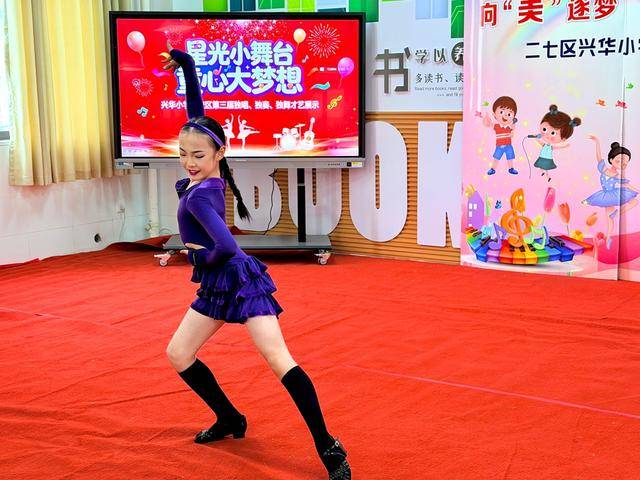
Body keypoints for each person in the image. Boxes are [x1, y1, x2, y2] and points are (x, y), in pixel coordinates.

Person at [160, 48, 351, 480]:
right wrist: (187, 65)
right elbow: (198, 119)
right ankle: (230, 417)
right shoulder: (205, 163)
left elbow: (227, 246)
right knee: (179, 353)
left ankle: (328, 445)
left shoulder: (201, 195)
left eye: (198, 155)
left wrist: (196, 254)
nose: (188, 161)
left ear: (219, 154)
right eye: (183, 153)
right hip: (217, 285)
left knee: (279, 358)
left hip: (238, 280)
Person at [583, 136, 638, 249]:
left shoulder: (618, 175)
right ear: (611, 159)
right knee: (609, 219)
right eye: (618, 161)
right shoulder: (603, 169)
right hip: (605, 195)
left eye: (624, 163)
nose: (621, 164)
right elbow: (599, 157)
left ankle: (616, 215)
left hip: (614, 194)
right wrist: (597, 142)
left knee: (634, 201)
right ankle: (609, 237)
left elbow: (627, 185)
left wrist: (638, 190)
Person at [531, 105, 581, 182]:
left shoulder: (550, 146)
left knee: (544, 167)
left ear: (563, 139)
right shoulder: (546, 145)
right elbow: (541, 143)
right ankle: (544, 173)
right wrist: (536, 138)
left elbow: (556, 147)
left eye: (553, 133)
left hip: (547, 158)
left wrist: (565, 146)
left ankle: (547, 175)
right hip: (543, 157)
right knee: (542, 166)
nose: (547, 135)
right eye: (544, 129)